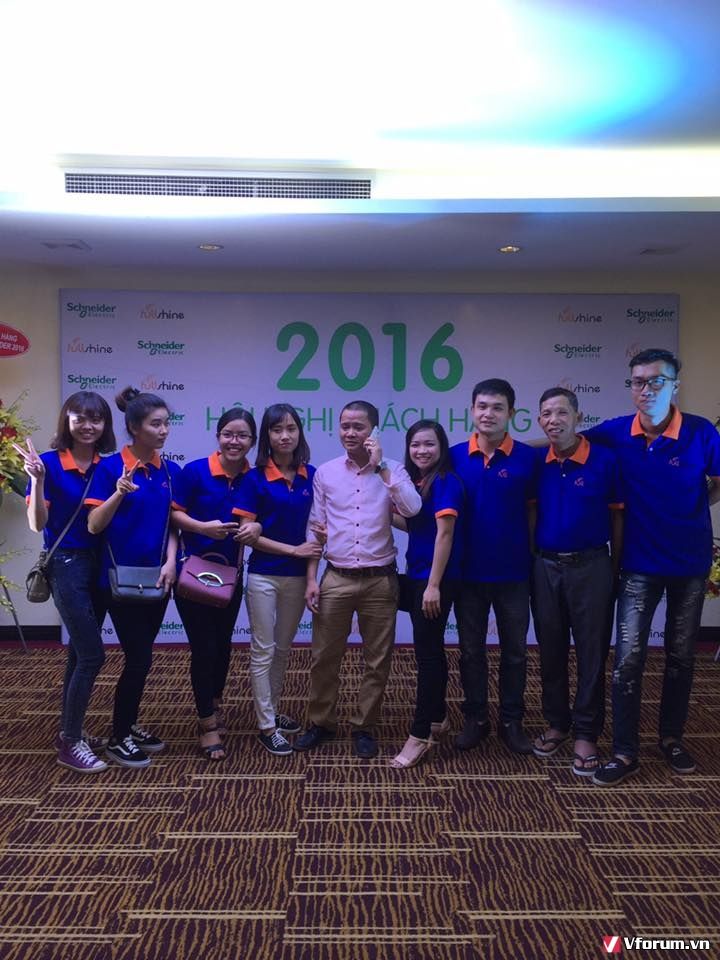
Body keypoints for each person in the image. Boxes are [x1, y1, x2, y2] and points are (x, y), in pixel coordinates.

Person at [584, 349, 720, 785]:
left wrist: (695, 506)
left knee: (680, 656)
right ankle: (625, 751)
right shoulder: (616, 431)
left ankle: (671, 737)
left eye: (656, 381)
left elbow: (718, 481)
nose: (646, 389)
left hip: (690, 564)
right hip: (638, 564)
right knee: (628, 660)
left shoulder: (701, 432)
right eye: (638, 381)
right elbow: (564, 440)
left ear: (675, 385)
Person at [294, 400, 422, 759]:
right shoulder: (326, 473)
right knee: (323, 657)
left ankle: (364, 726)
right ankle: (321, 722)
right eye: (345, 426)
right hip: (336, 577)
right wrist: (311, 578)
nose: (350, 433)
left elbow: (412, 509)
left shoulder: (393, 469)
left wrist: (382, 467)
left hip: (380, 580)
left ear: (374, 431)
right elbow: (315, 529)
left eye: (358, 427)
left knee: (377, 660)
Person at [18, 392, 116, 774]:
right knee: (92, 655)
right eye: (80, 418)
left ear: (105, 424)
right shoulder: (46, 464)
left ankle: (69, 731)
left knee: (79, 653)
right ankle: (71, 742)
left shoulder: (107, 467)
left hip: (100, 564)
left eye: (96, 419)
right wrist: (37, 481)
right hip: (66, 564)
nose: (88, 426)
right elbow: (37, 525)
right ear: (67, 421)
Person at [85, 387, 180, 769]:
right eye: (156, 424)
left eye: (166, 423)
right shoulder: (109, 468)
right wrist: (119, 493)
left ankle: (128, 725)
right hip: (114, 582)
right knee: (135, 658)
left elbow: (173, 524)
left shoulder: (168, 471)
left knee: (142, 659)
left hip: (156, 579)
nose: (164, 430)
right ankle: (118, 736)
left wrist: (171, 562)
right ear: (134, 428)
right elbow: (94, 525)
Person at [531, 388, 623, 776]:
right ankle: (557, 722)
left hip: (592, 566)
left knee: (591, 653)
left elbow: (618, 518)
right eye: (546, 414)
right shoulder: (536, 462)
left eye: (562, 412)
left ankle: (586, 733)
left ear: (578, 417)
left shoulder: (605, 460)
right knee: (550, 649)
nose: (554, 420)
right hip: (545, 566)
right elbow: (530, 515)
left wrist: (614, 569)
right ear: (539, 420)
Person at [450, 378, 539, 755]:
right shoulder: (453, 457)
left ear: (511, 414)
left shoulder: (529, 459)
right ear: (472, 410)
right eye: (482, 406)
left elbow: (533, 514)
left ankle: (511, 720)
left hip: (514, 573)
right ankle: (476, 718)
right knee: (471, 651)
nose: (488, 414)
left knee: (515, 651)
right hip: (467, 574)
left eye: (497, 407)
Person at [233, 403, 322, 756]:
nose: (284, 436)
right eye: (276, 429)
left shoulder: (312, 475)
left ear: (300, 432)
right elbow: (247, 535)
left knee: (283, 649)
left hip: (297, 577)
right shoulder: (254, 478)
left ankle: (271, 709)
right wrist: (293, 550)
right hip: (263, 576)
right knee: (263, 649)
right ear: (266, 436)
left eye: (290, 428)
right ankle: (266, 725)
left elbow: (317, 532)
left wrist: (308, 564)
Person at [172, 407, 258, 760]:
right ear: (218, 436)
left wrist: (255, 528)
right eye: (228, 434)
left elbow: (262, 517)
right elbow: (173, 515)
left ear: (252, 441)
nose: (234, 441)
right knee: (204, 648)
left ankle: (214, 701)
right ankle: (206, 722)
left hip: (231, 576)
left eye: (242, 436)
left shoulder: (255, 477)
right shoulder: (194, 471)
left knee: (223, 647)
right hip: (193, 575)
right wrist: (203, 528)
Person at [389, 420, 463, 769]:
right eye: (415, 444)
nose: (422, 451)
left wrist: (433, 585)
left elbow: (445, 534)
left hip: (435, 580)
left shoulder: (445, 481)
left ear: (441, 447)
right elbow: (417, 526)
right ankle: (437, 717)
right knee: (431, 649)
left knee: (428, 656)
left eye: (429, 444)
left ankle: (420, 735)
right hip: (417, 574)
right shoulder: (418, 482)